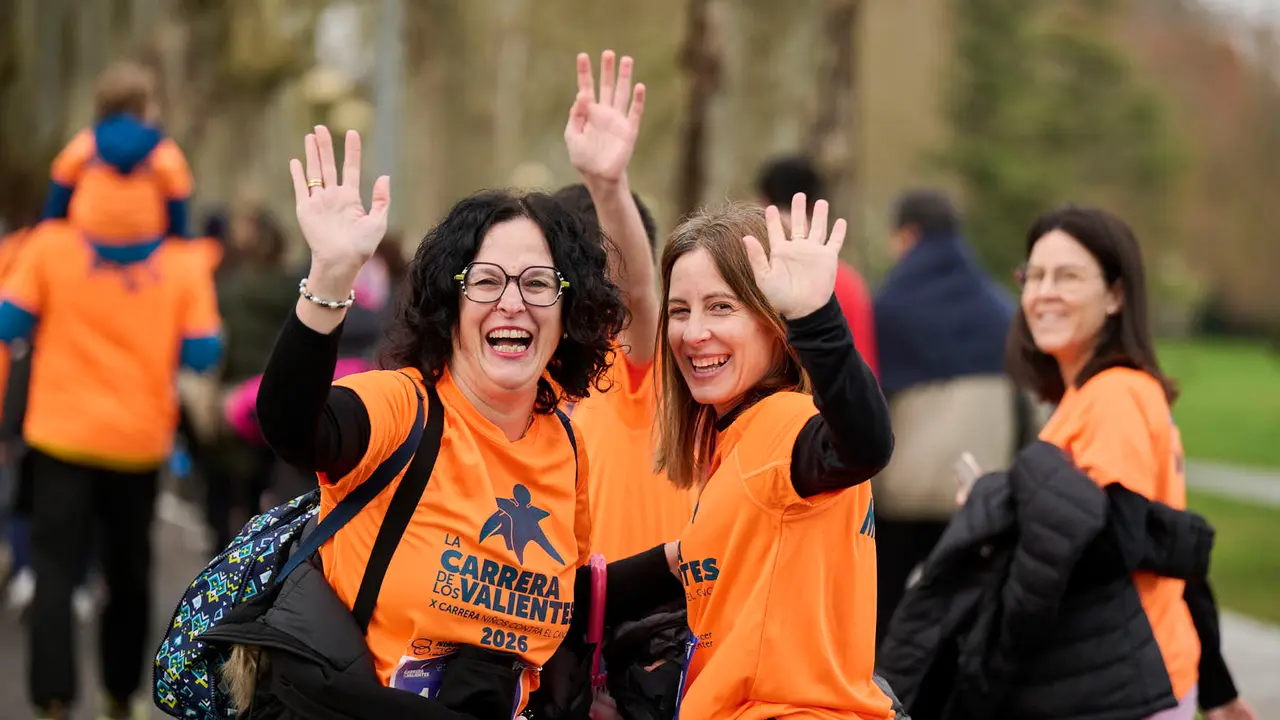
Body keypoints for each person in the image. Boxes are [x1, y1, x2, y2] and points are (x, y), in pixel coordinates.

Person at [248, 125, 683, 717]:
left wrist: (680, 559)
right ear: (450, 309)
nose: (512, 301)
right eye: (486, 280)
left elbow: (563, 600)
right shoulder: (403, 408)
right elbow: (290, 424)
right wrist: (330, 275)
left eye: (537, 283)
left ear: (567, 313)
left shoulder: (566, 446)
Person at [1006, 206, 1252, 720]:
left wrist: (1002, 511)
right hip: (1130, 674)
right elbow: (1173, 545)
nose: (1044, 292)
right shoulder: (1091, 395)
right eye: (1035, 275)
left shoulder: (1114, 395)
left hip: (1127, 684)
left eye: (1067, 276)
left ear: (1116, 295)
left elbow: (1113, 542)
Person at [655, 194, 895, 718]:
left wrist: (815, 317)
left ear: (772, 320)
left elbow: (867, 444)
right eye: (679, 311)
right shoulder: (733, 443)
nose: (694, 333)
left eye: (721, 307)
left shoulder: (783, 426)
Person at [0, 211, 221, 717]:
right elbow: (204, 353)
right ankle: (120, 695)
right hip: (136, 443)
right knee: (127, 571)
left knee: (53, 568)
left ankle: (52, 697)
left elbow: (9, 322)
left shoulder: (49, 244)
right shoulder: (179, 259)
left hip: (59, 437)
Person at [869, 189, 1031, 641]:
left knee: (883, 612)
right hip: (976, 490)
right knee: (962, 614)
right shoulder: (1001, 309)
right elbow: (1028, 408)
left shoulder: (889, 307)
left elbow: (867, 399)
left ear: (909, 235)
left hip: (901, 492)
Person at [553, 51, 694, 564]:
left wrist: (608, 189)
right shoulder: (528, 382)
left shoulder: (639, 365)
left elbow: (635, 297)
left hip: (650, 630)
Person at [43, 60, 192, 244]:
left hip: (86, 256)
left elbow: (54, 216)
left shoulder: (83, 147)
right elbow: (178, 227)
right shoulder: (165, 154)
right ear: (145, 108)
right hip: (147, 259)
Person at [755, 155, 878, 376]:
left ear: (763, 200)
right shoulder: (847, 281)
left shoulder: (742, 269)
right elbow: (863, 369)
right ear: (816, 204)